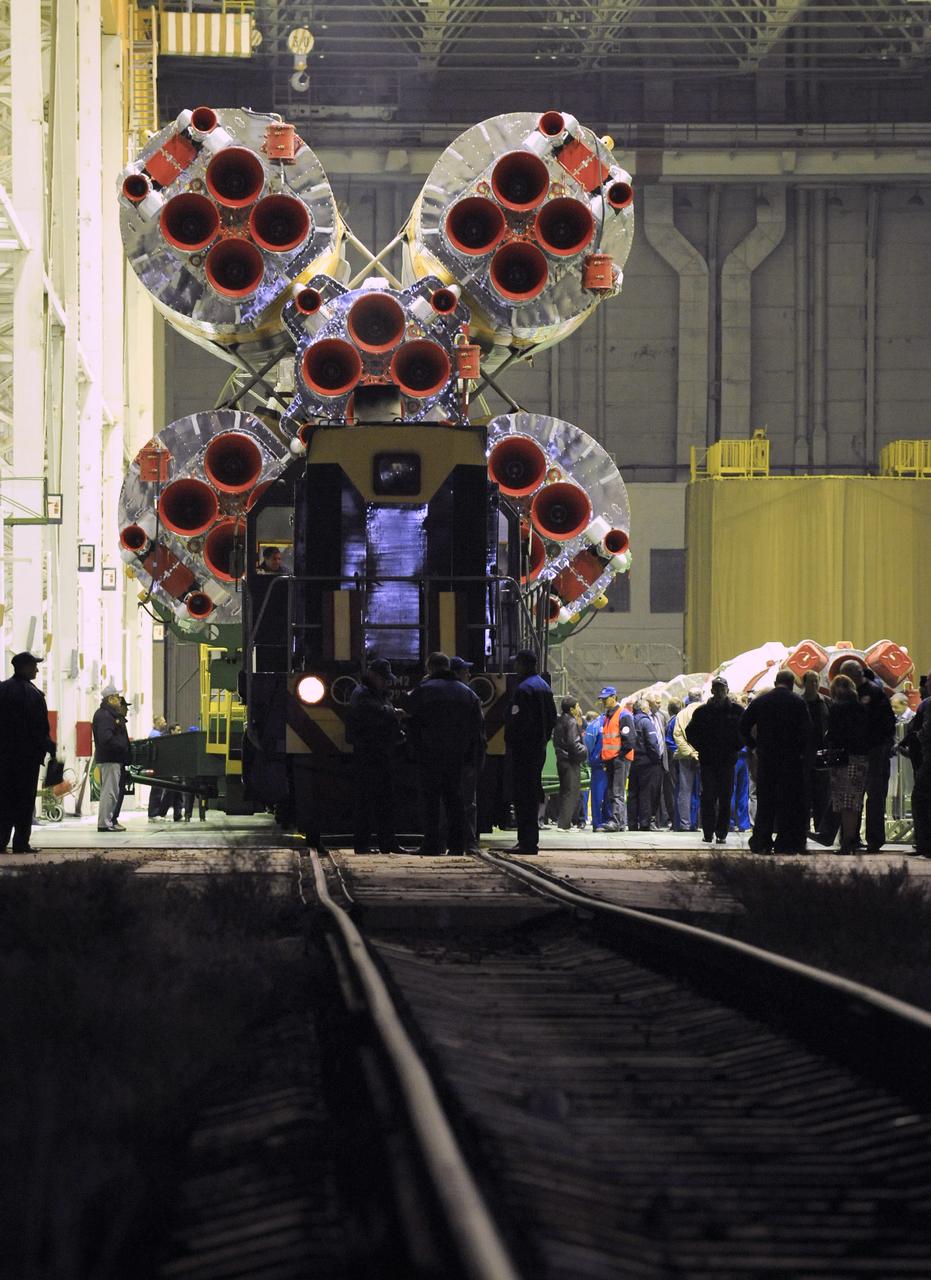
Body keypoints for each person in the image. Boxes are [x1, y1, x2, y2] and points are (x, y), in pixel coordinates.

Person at [408, 652, 484, 856]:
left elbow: (411, 722)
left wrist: (415, 750)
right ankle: (458, 845)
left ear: (430, 668)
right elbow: (477, 728)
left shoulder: (423, 690)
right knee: (455, 800)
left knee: (431, 801)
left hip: (429, 755)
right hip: (457, 757)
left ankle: (432, 844)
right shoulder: (467, 693)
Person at [738, 669, 809, 854]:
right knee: (788, 802)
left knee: (765, 802)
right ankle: (785, 842)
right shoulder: (797, 702)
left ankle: (762, 841)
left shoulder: (761, 701)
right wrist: (801, 753)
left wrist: (753, 745)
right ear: (792, 683)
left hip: (767, 758)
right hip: (790, 760)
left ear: (776, 681)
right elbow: (807, 731)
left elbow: (743, 725)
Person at [345, 658, 407, 855]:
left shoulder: (371, 692)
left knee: (382, 800)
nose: (386, 682)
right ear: (373, 675)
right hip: (369, 753)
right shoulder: (363, 694)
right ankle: (365, 844)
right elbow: (374, 713)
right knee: (369, 800)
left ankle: (386, 843)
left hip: (378, 753)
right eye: (383, 678)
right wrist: (393, 712)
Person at [500, 649, 557, 855]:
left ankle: (526, 842)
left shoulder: (523, 689)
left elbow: (516, 720)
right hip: (538, 749)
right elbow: (552, 719)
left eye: (517, 664)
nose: (515, 667)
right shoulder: (544, 686)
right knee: (533, 792)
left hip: (523, 750)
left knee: (523, 795)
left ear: (523, 665)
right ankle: (530, 840)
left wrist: (512, 741)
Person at [0, 652, 56, 854]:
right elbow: (38, 727)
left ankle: (1, 840)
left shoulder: (2, 689)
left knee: (4, 799)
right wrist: (49, 746)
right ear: (24, 667)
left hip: (4, 758)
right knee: (24, 800)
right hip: (26, 758)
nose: (37, 669)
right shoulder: (33, 694)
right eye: (34, 666)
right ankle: (21, 843)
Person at [686, 676, 743, 845]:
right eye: (716, 688)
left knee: (725, 798)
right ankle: (708, 832)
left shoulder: (736, 712)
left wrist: (735, 747)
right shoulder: (702, 712)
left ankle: (722, 833)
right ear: (711, 690)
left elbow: (745, 732)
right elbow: (691, 733)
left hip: (727, 761)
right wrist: (702, 748)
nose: (719, 692)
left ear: (727, 690)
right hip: (708, 762)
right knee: (708, 798)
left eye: (722, 688)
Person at [822, 673, 871, 855]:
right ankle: (850, 839)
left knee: (843, 801)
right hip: (861, 758)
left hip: (842, 758)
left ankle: (846, 842)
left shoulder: (837, 709)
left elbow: (833, 734)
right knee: (854, 801)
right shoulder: (861, 708)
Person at [450, 656, 485, 853]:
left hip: (444, 757)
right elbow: (478, 730)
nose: (469, 674)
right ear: (457, 673)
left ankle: (445, 841)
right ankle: (469, 842)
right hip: (466, 757)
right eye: (465, 671)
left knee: (445, 800)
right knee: (468, 802)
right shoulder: (470, 695)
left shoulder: (430, 689)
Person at [93, 683, 130, 833]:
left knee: (111, 792)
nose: (119, 700)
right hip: (110, 759)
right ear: (110, 699)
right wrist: (121, 746)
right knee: (109, 792)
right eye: (117, 697)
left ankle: (108, 821)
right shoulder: (105, 716)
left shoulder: (109, 714)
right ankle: (104, 823)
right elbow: (106, 738)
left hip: (112, 759)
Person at [598, 686, 634, 832]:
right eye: (602, 699)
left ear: (614, 697)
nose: (603, 701)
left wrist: (619, 756)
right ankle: (619, 822)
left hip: (620, 759)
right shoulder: (608, 716)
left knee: (617, 791)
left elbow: (630, 740)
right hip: (611, 759)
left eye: (605, 699)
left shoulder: (623, 715)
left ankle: (616, 821)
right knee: (613, 791)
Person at [801, 670, 831, 833]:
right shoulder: (798, 702)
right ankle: (803, 828)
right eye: (810, 681)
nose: (813, 684)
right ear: (804, 683)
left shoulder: (826, 702)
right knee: (804, 794)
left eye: (816, 681)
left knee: (822, 795)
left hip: (822, 754)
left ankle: (820, 829)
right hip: (804, 754)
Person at [627, 699, 663, 831]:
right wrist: (656, 759)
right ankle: (645, 823)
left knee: (633, 793)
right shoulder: (646, 721)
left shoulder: (629, 720)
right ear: (643, 709)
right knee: (646, 793)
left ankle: (631, 823)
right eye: (647, 707)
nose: (649, 709)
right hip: (647, 762)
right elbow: (652, 743)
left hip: (633, 761)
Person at [553, 696, 587, 830]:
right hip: (570, 761)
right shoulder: (572, 722)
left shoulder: (560, 720)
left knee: (564, 791)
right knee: (571, 792)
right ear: (572, 709)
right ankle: (564, 824)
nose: (579, 709)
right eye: (577, 706)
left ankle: (562, 822)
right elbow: (573, 743)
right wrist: (585, 750)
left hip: (561, 760)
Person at [672, 690, 703, 832]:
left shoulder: (681, 714)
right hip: (705, 757)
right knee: (706, 790)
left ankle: (685, 824)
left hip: (685, 757)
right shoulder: (706, 710)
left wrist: (690, 752)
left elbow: (677, 735)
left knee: (685, 791)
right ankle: (699, 823)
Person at [584, 709, 608, 831]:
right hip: (599, 764)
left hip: (609, 763)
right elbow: (588, 743)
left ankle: (605, 821)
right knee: (598, 796)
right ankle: (598, 823)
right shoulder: (597, 724)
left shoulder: (610, 722)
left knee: (607, 795)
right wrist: (594, 756)